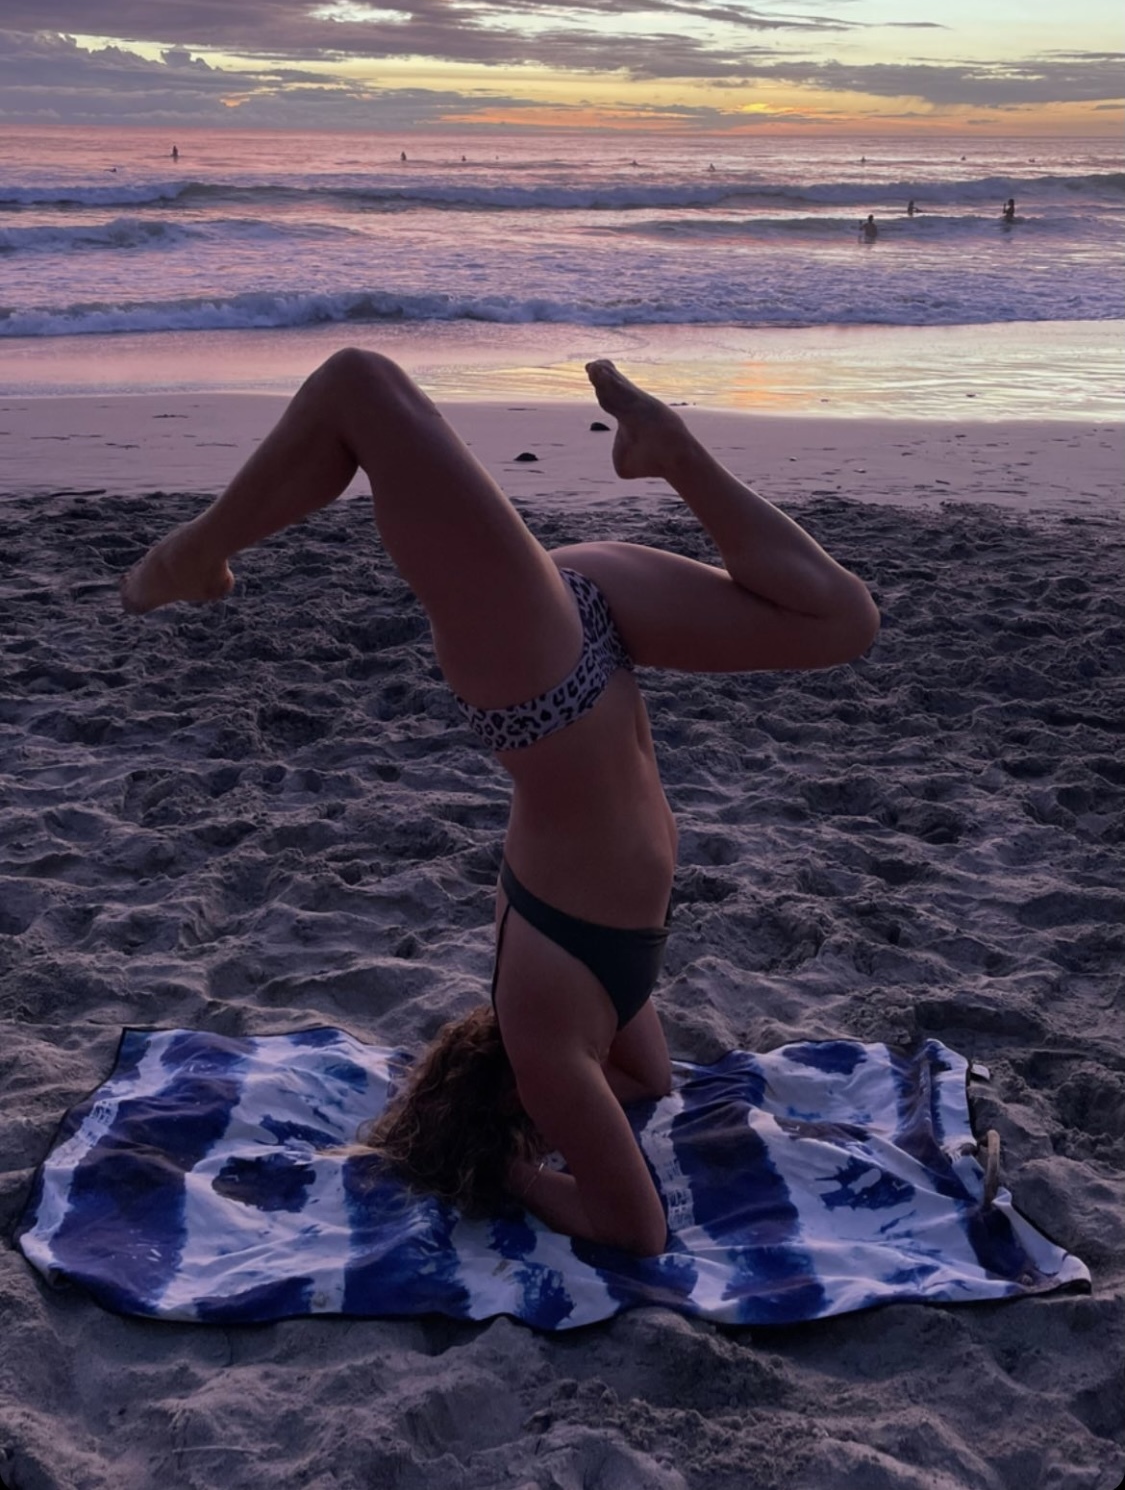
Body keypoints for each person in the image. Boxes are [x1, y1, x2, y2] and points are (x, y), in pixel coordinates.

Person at [120, 352, 879, 1255]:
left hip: (543, 685)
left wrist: (501, 1167)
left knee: (360, 389)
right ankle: (668, 451)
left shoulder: (551, 1037)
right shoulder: (577, 1027)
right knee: (841, 622)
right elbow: (649, 1106)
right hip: (585, 639)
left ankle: (190, 553)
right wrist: (513, 1144)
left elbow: (631, 1214)